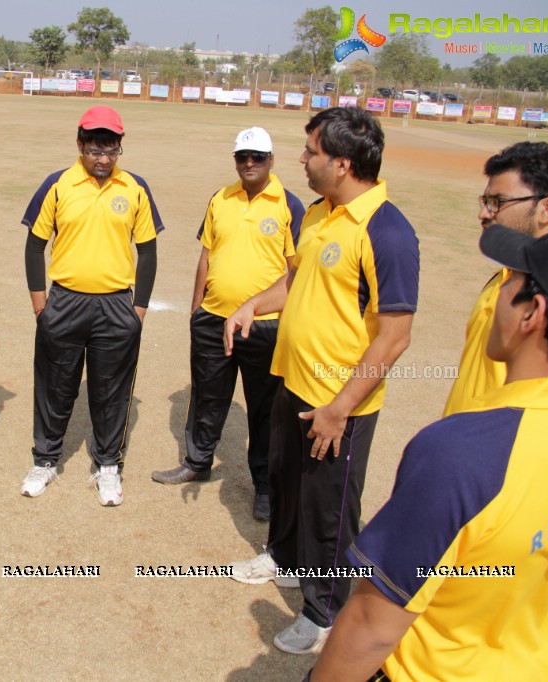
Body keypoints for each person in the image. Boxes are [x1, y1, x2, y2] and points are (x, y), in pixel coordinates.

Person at [310, 224, 548, 681]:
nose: (496, 292)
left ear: (532, 314)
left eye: (509, 282)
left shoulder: (464, 453)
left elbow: (372, 626)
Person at [227, 107, 420, 654]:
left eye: (310, 151)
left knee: (328, 511)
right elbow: (293, 283)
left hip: (340, 403)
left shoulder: (388, 231)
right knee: (288, 484)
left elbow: (394, 337)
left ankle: (326, 610)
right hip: (294, 382)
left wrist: (340, 407)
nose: (301, 160)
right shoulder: (317, 213)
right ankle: (284, 557)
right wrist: (251, 306)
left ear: (341, 162)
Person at [151, 126, 303, 521]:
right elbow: (207, 254)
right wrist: (197, 309)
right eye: (242, 157)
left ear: (272, 159)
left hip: (265, 326)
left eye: (257, 157)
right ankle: (197, 461)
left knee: (265, 409)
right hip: (213, 320)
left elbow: (296, 272)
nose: (249, 163)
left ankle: (266, 487)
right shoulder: (221, 198)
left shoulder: (289, 204)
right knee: (207, 396)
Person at [19, 105, 164, 506]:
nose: (102, 158)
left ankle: (108, 467)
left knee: (111, 391)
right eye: (95, 149)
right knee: (55, 386)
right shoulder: (58, 184)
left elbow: (148, 251)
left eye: (111, 150)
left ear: (120, 148)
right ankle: (45, 460)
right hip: (64, 301)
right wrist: (40, 306)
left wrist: (138, 311)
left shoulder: (135, 188)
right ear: (80, 144)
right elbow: (35, 245)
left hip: (117, 306)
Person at [442, 142, 548, 417]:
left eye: (497, 202)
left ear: (547, 208)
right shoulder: (503, 277)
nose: (484, 213)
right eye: (485, 201)